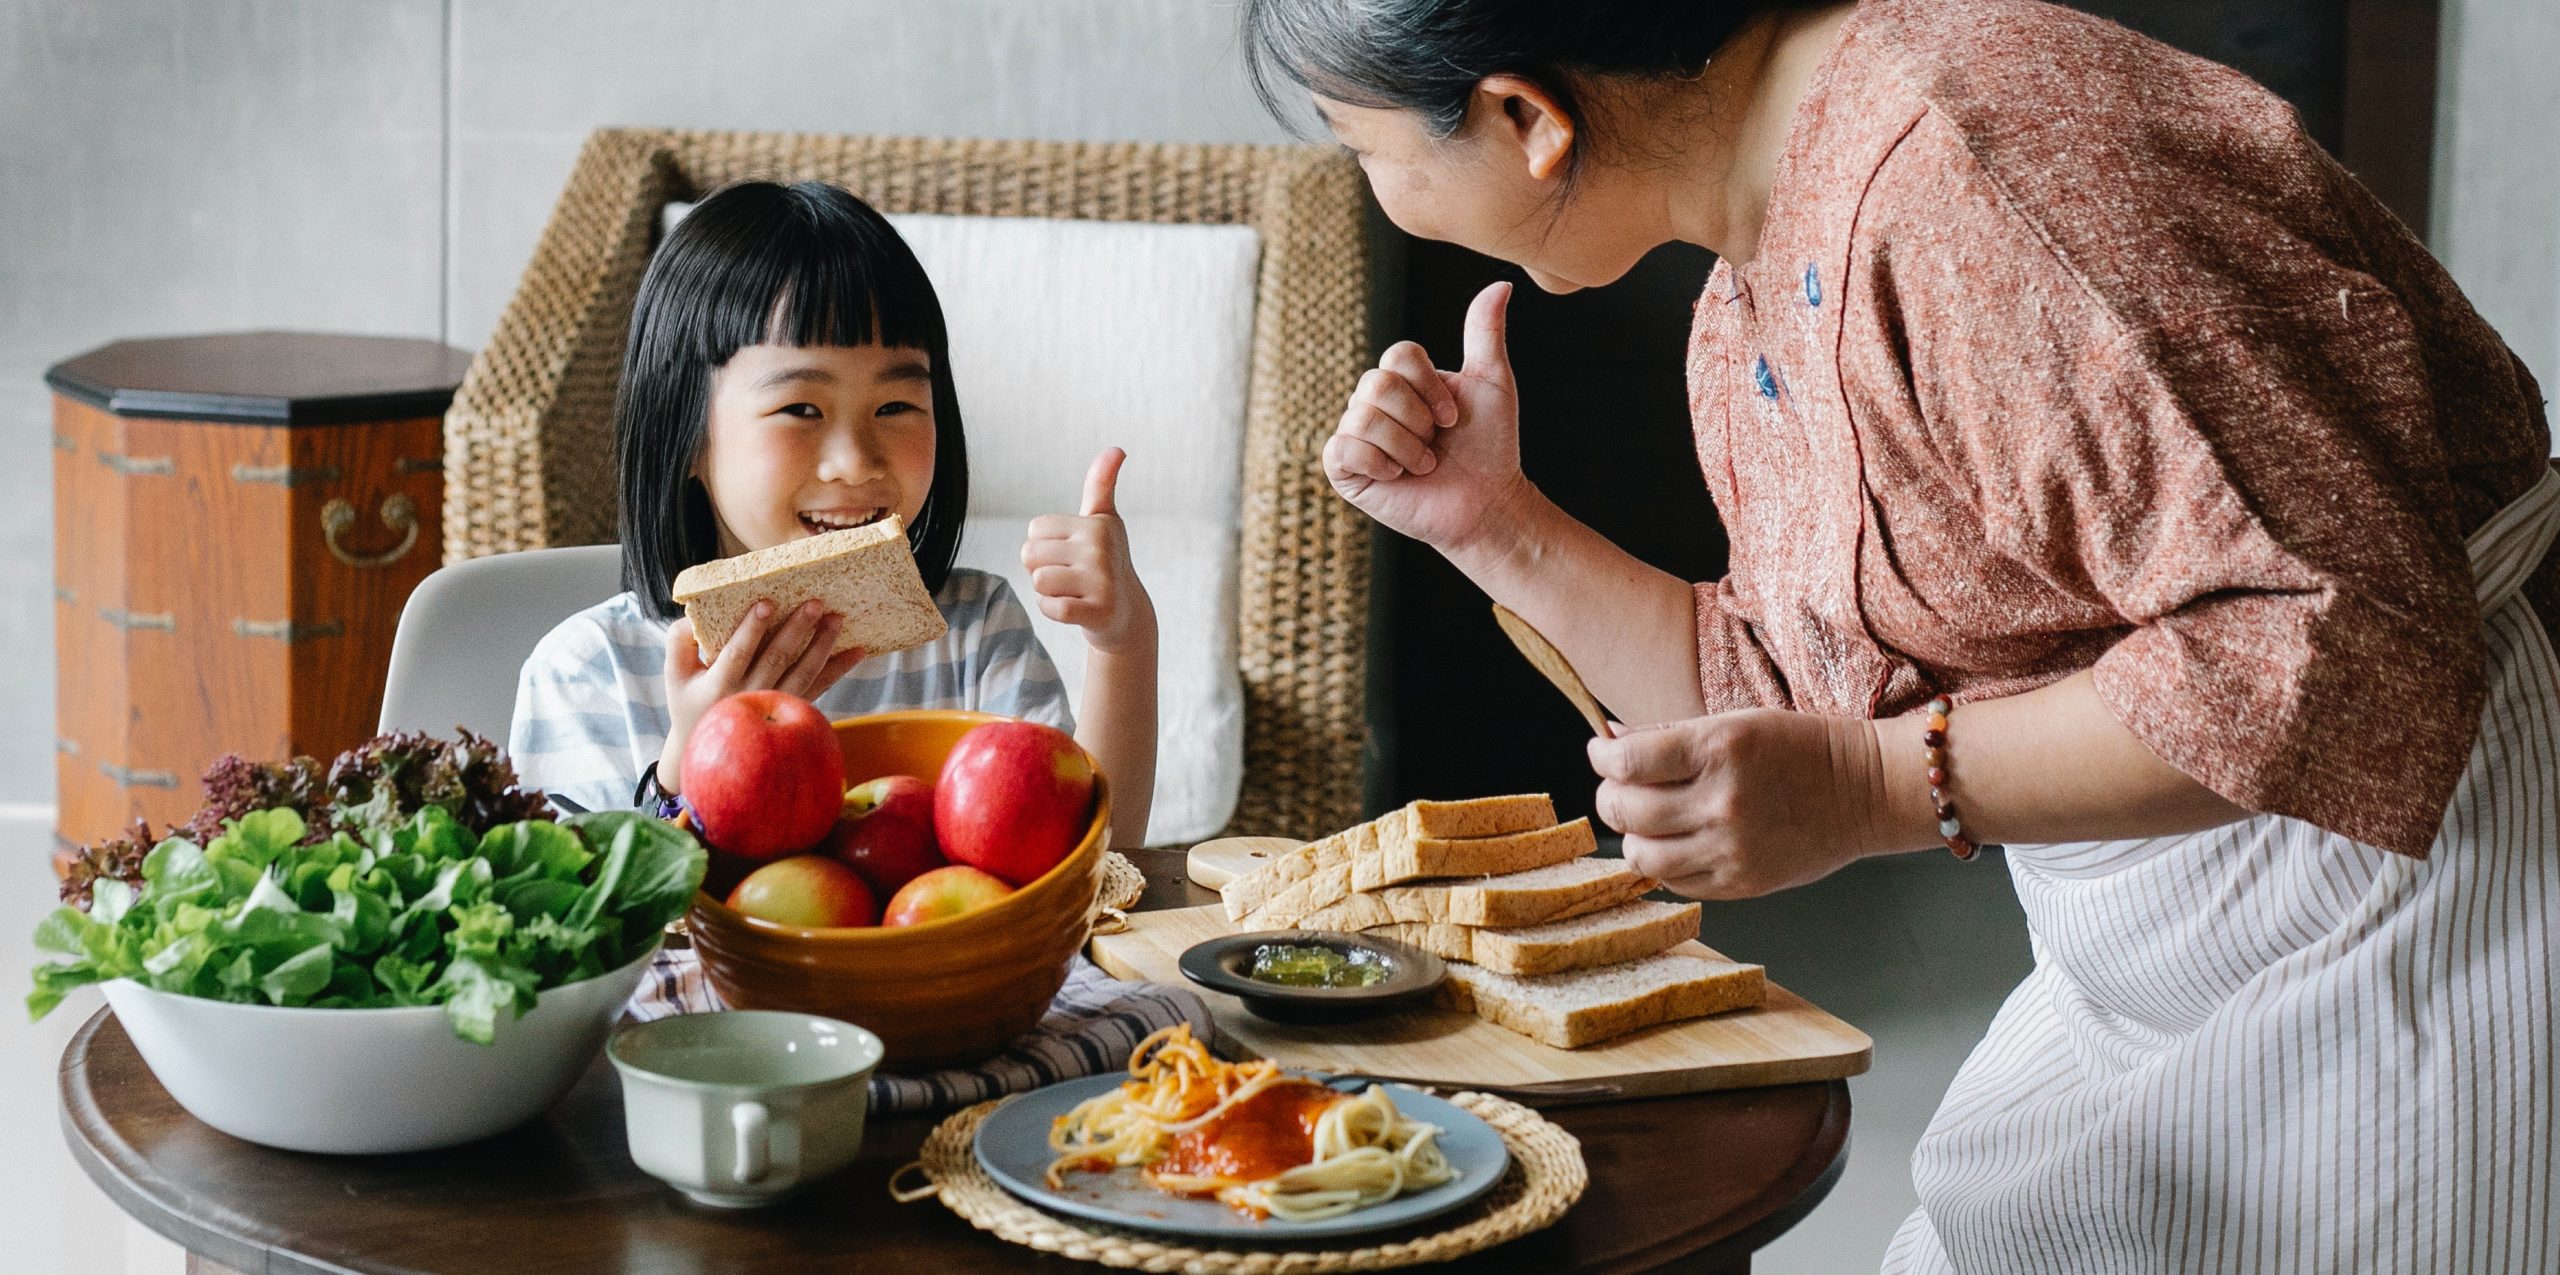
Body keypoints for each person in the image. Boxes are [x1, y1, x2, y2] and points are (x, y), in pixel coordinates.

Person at [1241, 0, 2559, 1268]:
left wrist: (1874, 787)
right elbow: (1793, 691)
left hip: (2431, 895)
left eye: (1363, 147)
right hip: (2174, 923)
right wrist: (1495, 525)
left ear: (1524, 115)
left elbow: (2339, 653)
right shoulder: (1775, 222)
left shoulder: (1976, 178)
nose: (1374, 188)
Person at [509, 180, 1158, 849]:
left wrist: (1124, 642)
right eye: (801, 409)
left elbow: (1099, 865)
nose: (855, 460)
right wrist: (686, 770)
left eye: (896, 407)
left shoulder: (971, 635)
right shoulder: (588, 672)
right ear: (687, 436)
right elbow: (581, 935)